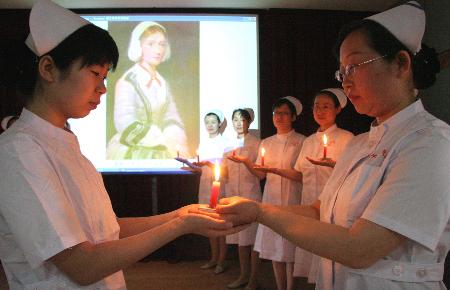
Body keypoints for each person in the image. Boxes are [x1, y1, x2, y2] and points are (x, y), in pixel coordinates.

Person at [209, 2, 449, 290]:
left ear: (400, 63)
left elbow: (360, 248)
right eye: (341, 72)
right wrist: (252, 208)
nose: (346, 82)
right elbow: (317, 212)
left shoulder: (430, 143)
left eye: (354, 67)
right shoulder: (360, 144)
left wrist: (262, 213)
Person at [0, 1, 240, 289]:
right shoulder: (20, 151)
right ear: (49, 69)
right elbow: (82, 265)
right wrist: (179, 227)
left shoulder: (64, 144)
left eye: (104, 77)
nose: (102, 88)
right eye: (94, 73)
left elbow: (108, 231)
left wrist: (179, 214)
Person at [232, 98, 306, 290]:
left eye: (284, 113)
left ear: (294, 117)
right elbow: (260, 174)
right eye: (276, 113)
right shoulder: (267, 142)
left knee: (290, 246)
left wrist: (277, 170)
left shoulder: (301, 141)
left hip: (292, 198)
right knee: (275, 248)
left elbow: (301, 176)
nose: (279, 117)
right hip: (272, 198)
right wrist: (246, 162)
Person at [292, 89, 353, 285]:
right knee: (311, 259)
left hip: (334, 210)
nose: (320, 111)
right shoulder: (309, 141)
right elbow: (300, 174)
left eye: (326, 106)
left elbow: (354, 175)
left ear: (338, 109)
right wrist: (272, 170)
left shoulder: (347, 138)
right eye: (316, 106)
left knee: (329, 265)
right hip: (309, 205)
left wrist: (334, 165)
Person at [106, 21, 188, 160]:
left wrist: (172, 136)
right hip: (133, 148)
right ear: (139, 46)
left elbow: (171, 116)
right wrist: (158, 139)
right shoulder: (128, 81)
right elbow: (124, 121)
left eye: (161, 44)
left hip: (163, 147)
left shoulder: (162, 83)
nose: (158, 50)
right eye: (151, 44)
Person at [177, 109, 229, 274]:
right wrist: (188, 163)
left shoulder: (225, 143)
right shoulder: (204, 142)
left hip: (220, 185)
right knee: (209, 222)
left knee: (220, 223)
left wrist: (207, 164)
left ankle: (222, 260)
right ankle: (213, 258)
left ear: (219, 123)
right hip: (205, 186)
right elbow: (200, 168)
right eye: (207, 122)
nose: (210, 125)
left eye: (213, 122)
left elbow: (225, 169)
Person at [222, 108, 262, 290]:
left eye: (242, 119)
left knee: (252, 238)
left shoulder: (256, 143)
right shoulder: (228, 144)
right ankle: (243, 276)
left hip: (250, 193)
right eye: (235, 119)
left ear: (249, 122)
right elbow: (224, 171)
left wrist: (246, 162)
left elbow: (260, 175)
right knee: (240, 238)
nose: (239, 123)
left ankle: (253, 279)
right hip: (233, 194)